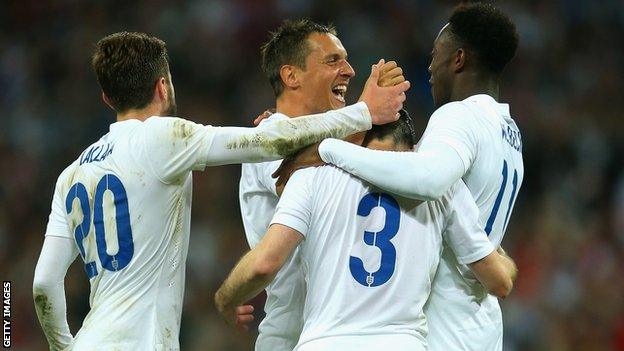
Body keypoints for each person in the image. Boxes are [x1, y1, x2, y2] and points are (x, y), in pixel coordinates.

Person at [31, 31, 409, 350]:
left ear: (107, 98)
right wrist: (364, 112)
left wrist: (64, 346)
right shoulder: (164, 137)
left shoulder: (71, 174)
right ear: (163, 86)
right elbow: (270, 142)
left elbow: (44, 285)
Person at [300, 3, 523, 350]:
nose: (430, 67)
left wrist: (328, 148)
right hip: (481, 324)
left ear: (459, 59)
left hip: (442, 324)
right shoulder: (507, 130)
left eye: (436, 55)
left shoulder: (458, 117)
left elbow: (428, 179)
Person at [216, 110, 517, 351]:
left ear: (356, 144)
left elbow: (265, 263)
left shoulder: (312, 177)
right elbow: (498, 282)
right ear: (413, 149)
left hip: (324, 342)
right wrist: (505, 260)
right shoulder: (444, 187)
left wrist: (226, 298)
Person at [239, 19, 405, 351]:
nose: (349, 70)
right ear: (291, 76)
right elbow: (300, 169)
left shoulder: (344, 142)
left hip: (346, 335)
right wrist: (365, 112)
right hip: (292, 337)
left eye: (345, 59)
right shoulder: (266, 137)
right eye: (332, 61)